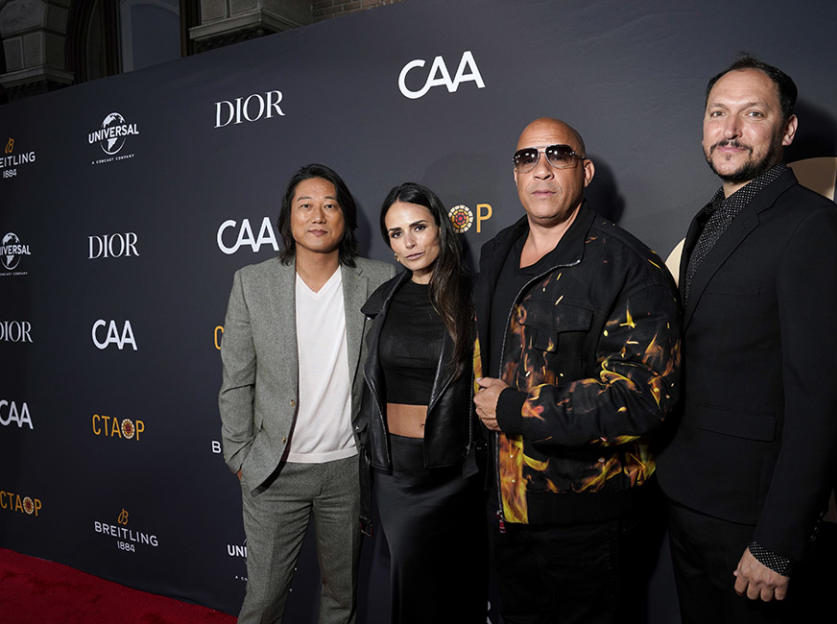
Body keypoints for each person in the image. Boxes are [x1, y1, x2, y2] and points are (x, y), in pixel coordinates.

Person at [657, 56, 837, 623]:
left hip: (754, 519)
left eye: (753, 114)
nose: (730, 129)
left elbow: (823, 400)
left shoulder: (815, 227)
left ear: (787, 130)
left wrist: (778, 541)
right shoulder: (709, 220)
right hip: (688, 494)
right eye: (718, 114)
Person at [473, 117, 681, 623]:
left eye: (557, 156)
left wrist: (516, 408)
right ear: (515, 175)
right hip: (504, 511)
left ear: (585, 171)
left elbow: (642, 397)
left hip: (587, 521)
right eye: (528, 158)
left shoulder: (627, 264)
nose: (541, 170)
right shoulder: (496, 251)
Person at [218, 163, 395, 624]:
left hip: (346, 472)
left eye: (330, 205)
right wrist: (239, 454)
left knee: (342, 599)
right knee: (263, 601)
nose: (318, 215)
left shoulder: (379, 279)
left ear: (346, 217)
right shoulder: (252, 283)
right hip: (275, 471)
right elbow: (237, 379)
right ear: (288, 219)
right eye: (306, 205)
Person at [360, 182, 487, 624]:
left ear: (441, 228)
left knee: (460, 588)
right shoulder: (382, 302)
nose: (409, 242)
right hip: (397, 476)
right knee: (410, 591)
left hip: (457, 471)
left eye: (418, 227)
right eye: (396, 234)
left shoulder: (476, 297)